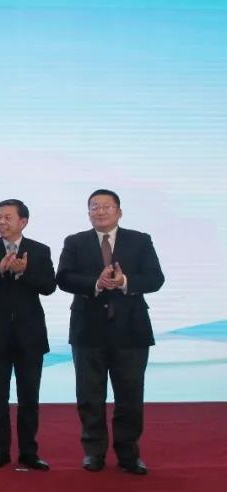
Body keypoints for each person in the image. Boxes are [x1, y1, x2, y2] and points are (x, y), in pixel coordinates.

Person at [57, 189, 164, 475]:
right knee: (89, 395)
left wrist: (125, 281)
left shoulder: (140, 240)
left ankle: (129, 454)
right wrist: (96, 283)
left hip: (131, 331)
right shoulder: (75, 242)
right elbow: (64, 278)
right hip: (87, 330)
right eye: (95, 207)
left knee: (130, 395)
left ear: (119, 211)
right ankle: (94, 452)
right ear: (88, 212)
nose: (100, 211)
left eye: (106, 206)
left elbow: (155, 278)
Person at [0, 199, 55, 471]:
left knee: (29, 396)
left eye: (7, 217)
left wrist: (25, 272)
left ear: (23, 222)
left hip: (30, 336)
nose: (1, 222)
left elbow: (49, 286)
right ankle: (0, 450)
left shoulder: (39, 250)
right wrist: (0, 270)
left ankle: (29, 452)